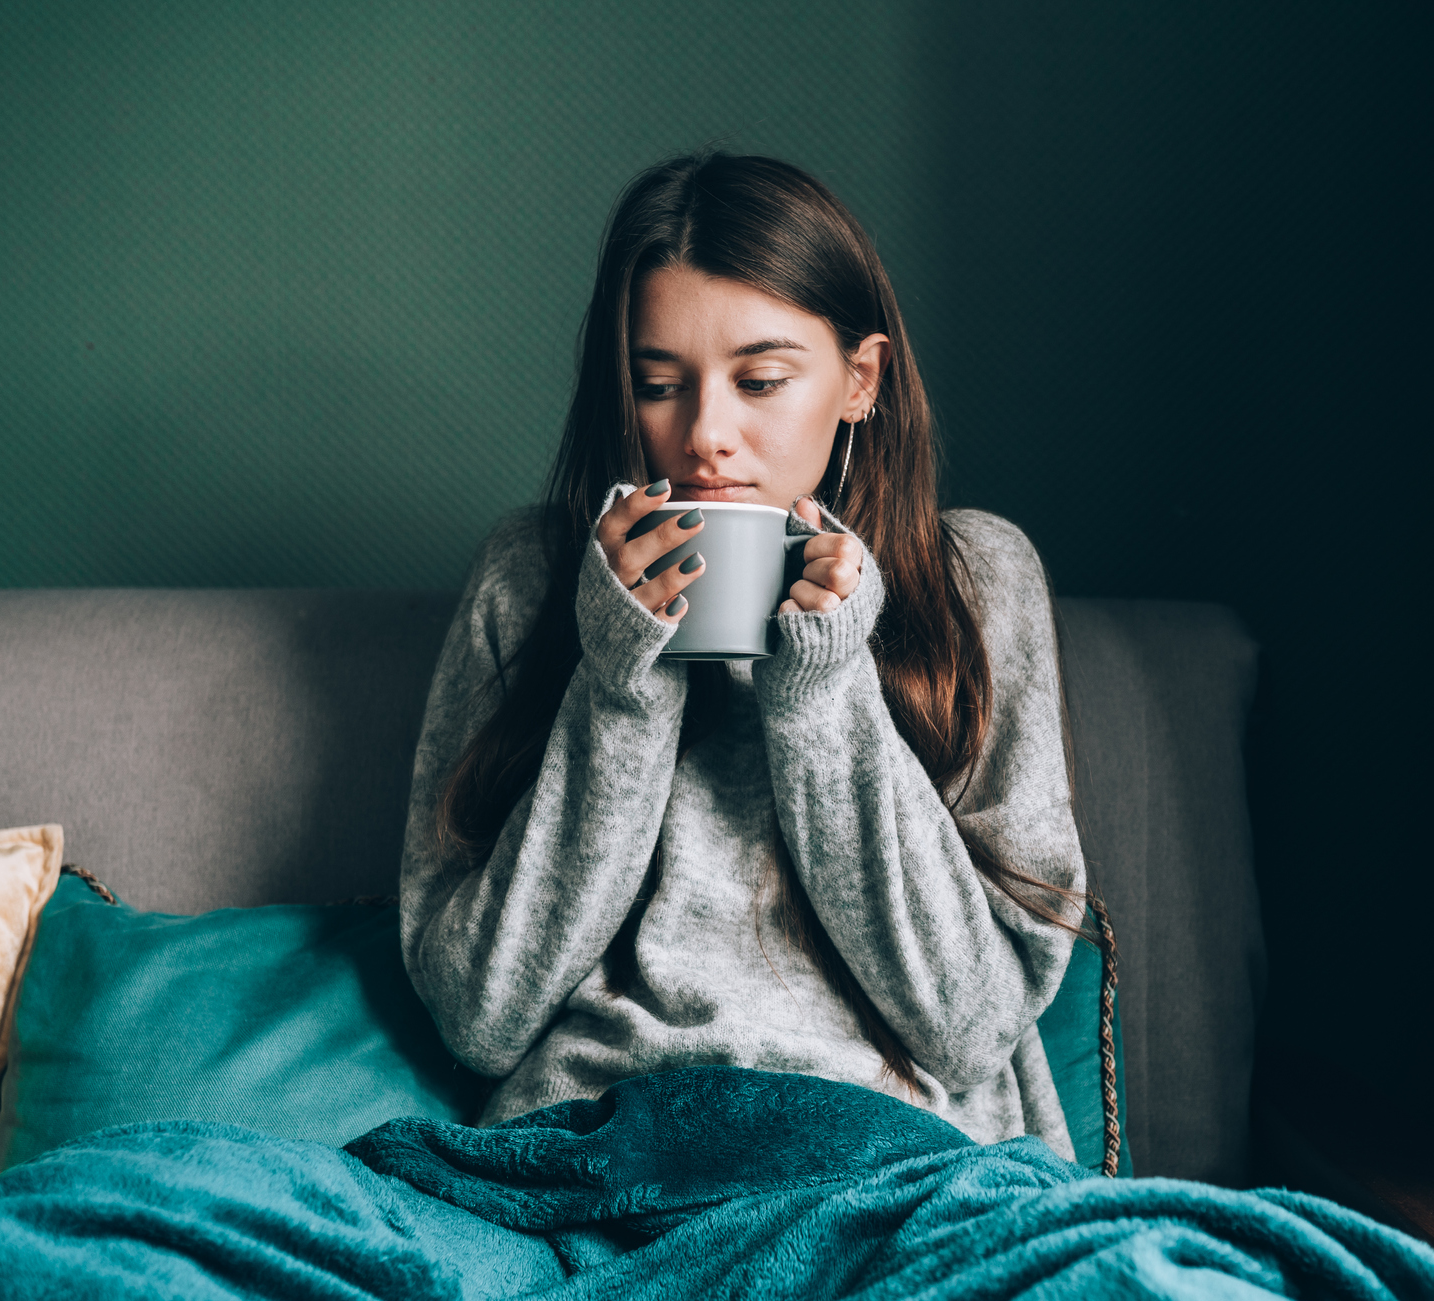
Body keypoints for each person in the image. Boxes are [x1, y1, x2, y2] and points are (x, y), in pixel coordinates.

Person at [398, 151, 1091, 1153]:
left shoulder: (979, 581)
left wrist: (821, 688)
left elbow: (973, 1024)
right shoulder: (529, 577)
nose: (705, 434)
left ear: (860, 380)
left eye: (761, 379)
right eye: (658, 383)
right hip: (596, 1153)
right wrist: (619, 684)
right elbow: (481, 1014)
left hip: (890, 1161)